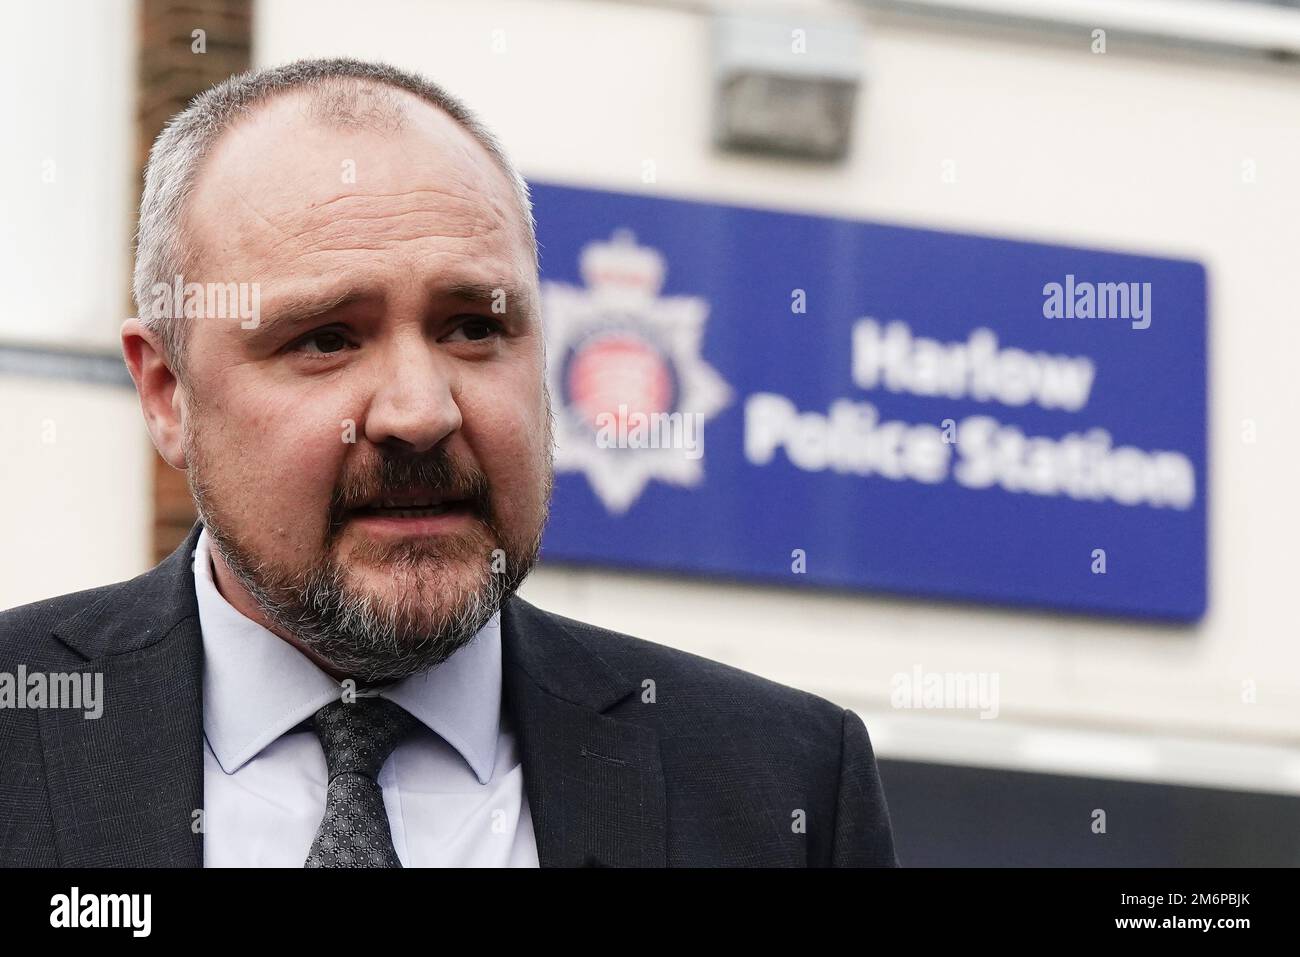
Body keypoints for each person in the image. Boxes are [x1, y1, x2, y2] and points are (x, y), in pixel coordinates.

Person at [0, 58, 898, 867]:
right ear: (167, 392)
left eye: (474, 326)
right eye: (325, 339)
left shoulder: (783, 787)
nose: (419, 413)